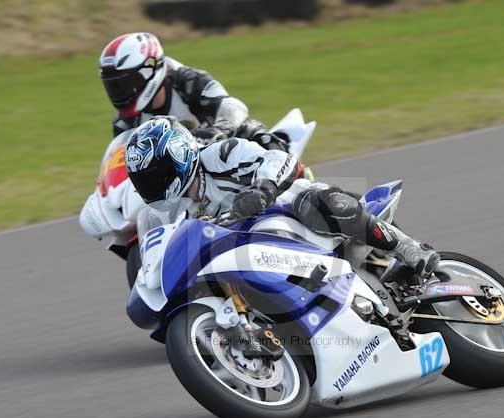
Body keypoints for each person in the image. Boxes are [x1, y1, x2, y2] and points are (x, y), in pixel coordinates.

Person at [124, 116, 440, 278]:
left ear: (178, 155)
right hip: (250, 250)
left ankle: (409, 249)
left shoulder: (219, 154)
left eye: (157, 177)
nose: (154, 188)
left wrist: (262, 190)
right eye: (146, 182)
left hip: (284, 211)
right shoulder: (178, 211)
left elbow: (277, 159)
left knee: (318, 203)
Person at [99, 32, 286, 151]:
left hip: (221, 155)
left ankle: (294, 181)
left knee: (251, 130)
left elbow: (232, 106)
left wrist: (220, 129)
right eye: (113, 87)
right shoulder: (124, 125)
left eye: (126, 83)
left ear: (150, 70)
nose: (120, 93)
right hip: (175, 179)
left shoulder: (189, 82)